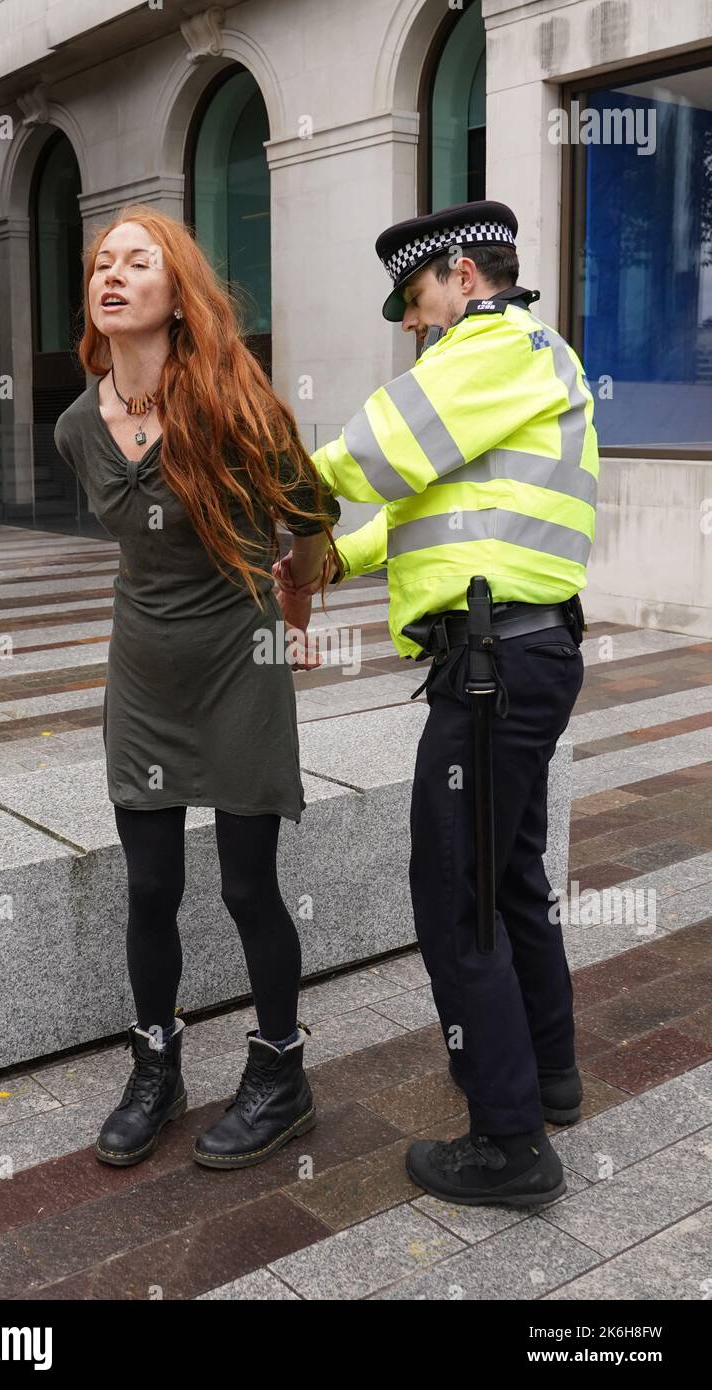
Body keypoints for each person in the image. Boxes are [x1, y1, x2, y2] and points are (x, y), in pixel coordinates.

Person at [275, 199, 599, 1207]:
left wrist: (283, 500)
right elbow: (424, 510)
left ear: (463, 272)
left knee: (454, 898)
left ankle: (508, 1144)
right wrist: (336, 554)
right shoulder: (525, 363)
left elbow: (375, 455)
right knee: (506, 882)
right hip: (520, 653)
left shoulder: (496, 344)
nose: (412, 324)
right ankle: (547, 1076)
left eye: (414, 300)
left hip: (491, 668)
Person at [53, 204, 343, 1170]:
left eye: (138, 261)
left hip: (238, 664)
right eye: (102, 262)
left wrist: (293, 620)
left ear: (179, 296)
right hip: (142, 672)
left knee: (248, 884)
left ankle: (280, 1069)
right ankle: (156, 1063)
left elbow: (309, 517)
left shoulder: (233, 404)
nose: (114, 273)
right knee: (148, 886)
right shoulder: (73, 429)